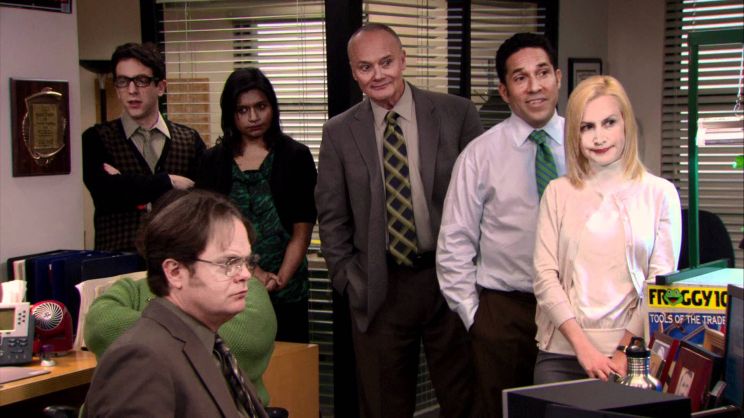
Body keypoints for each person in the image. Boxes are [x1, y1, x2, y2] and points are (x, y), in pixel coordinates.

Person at [316, 23, 483, 418]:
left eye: (386, 62)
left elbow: (485, 200)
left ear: (403, 60)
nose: (378, 75)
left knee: (465, 401)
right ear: (354, 72)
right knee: (384, 407)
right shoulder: (338, 132)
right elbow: (332, 217)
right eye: (365, 67)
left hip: (450, 281)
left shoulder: (456, 114)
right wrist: (349, 280)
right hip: (379, 287)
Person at [436, 32, 565, 417]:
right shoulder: (480, 155)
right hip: (506, 313)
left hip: (576, 308)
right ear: (505, 91)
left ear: (558, 78)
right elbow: (454, 242)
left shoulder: (587, 144)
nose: (535, 86)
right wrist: (476, 318)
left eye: (543, 72)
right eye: (521, 77)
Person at [532, 75, 681, 384]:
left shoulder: (660, 193)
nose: (599, 138)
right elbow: (544, 277)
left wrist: (624, 349)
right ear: (575, 134)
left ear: (626, 123)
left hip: (633, 354)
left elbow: (659, 283)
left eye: (609, 123)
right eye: (587, 127)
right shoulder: (557, 192)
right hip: (562, 351)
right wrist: (583, 349)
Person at [84, 189, 268, 418]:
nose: (245, 275)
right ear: (175, 272)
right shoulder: (141, 358)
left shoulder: (212, 346)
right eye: (229, 263)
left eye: (246, 262)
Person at [196, 67, 317, 343]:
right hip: (229, 288)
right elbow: (210, 231)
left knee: (290, 360)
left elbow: (302, 229)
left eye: (261, 107)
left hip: (288, 287)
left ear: (272, 107)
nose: (253, 117)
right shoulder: (213, 161)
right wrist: (254, 273)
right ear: (231, 114)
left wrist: (280, 277)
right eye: (243, 110)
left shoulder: (296, 156)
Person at [83, 42, 205, 252]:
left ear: (160, 87)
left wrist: (127, 184)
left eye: (141, 81)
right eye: (123, 82)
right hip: (119, 261)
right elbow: (107, 195)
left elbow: (201, 201)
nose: (131, 90)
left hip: (177, 258)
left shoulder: (189, 140)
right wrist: (169, 182)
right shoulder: (96, 139)